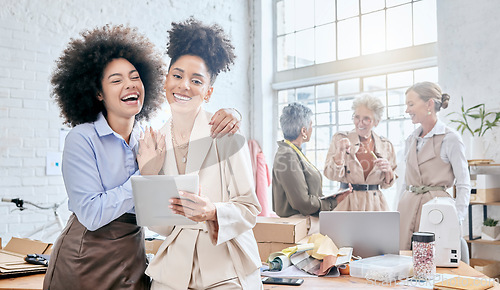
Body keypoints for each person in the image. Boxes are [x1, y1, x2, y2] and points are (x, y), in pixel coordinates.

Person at [43, 25, 242, 290]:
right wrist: (144, 176)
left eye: (134, 77)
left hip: (132, 258)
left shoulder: (149, 138)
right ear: (98, 93)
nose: (129, 84)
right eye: (116, 80)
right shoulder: (82, 138)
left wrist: (233, 114)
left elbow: (161, 206)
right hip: (85, 261)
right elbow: (91, 214)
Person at [138, 18, 262, 289]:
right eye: (177, 76)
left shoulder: (226, 134)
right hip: (173, 268)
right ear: (166, 80)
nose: (184, 86)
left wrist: (213, 211)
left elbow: (250, 209)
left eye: (196, 80)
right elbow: (161, 226)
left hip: (225, 265)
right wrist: (148, 173)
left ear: (208, 91)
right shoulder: (154, 141)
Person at [398, 82, 470, 250]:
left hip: (437, 210)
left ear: (429, 104)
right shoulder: (411, 139)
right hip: (407, 209)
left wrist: (457, 217)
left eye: (411, 104)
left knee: (434, 262)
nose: (407, 110)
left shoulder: (450, 138)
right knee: (404, 262)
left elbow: (463, 183)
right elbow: (405, 182)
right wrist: (397, 212)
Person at [272, 102, 349, 234]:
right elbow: (303, 203)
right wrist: (333, 202)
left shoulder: (294, 152)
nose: (312, 128)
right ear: (303, 131)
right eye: (311, 125)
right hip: (301, 227)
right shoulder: (287, 155)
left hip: (306, 224)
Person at [324, 94, 397, 211]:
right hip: (346, 202)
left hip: (376, 205)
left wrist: (388, 171)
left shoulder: (386, 145)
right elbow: (330, 174)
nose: (360, 123)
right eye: (357, 117)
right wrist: (339, 153)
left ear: (376, 122)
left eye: (366, 119)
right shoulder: (340, 138)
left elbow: (387, 184)